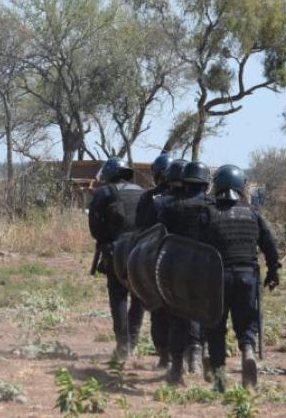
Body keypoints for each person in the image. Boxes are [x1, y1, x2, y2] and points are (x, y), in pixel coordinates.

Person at [204, 165, 281, 392]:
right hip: (248, 277)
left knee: (216, 327)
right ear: (241, 186)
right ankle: (248, 349)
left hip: (218, 279)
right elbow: (270, 246)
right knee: (247, 321)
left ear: (216, 186)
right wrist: (273, 271)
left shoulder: (209, 213)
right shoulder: (252, 214)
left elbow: (197, 247)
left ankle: (219, 381)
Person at [156, 161, 214, 385]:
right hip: (206, 269)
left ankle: (177, 368)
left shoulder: (168, 205)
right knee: (206, 315)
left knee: (178, 318)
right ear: (205, 183)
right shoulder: (212, 205)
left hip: (176, 269)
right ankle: (201, 355)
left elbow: (160, 235)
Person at [89, 157, 145, 358]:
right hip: (142, 251)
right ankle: (134, 339)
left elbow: (95, 228)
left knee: (118, 295)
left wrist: (106, 242)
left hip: (116, 251)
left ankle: (123, 344)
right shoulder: (142, 192)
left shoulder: (103, 192)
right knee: (139, 295)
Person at [136, 153, 176, 369]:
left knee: (158, 310)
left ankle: (164, 356)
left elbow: (141, 229)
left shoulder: (149, 198)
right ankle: (192, 354)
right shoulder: (187, 197)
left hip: (155, 261)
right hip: (184, 263)